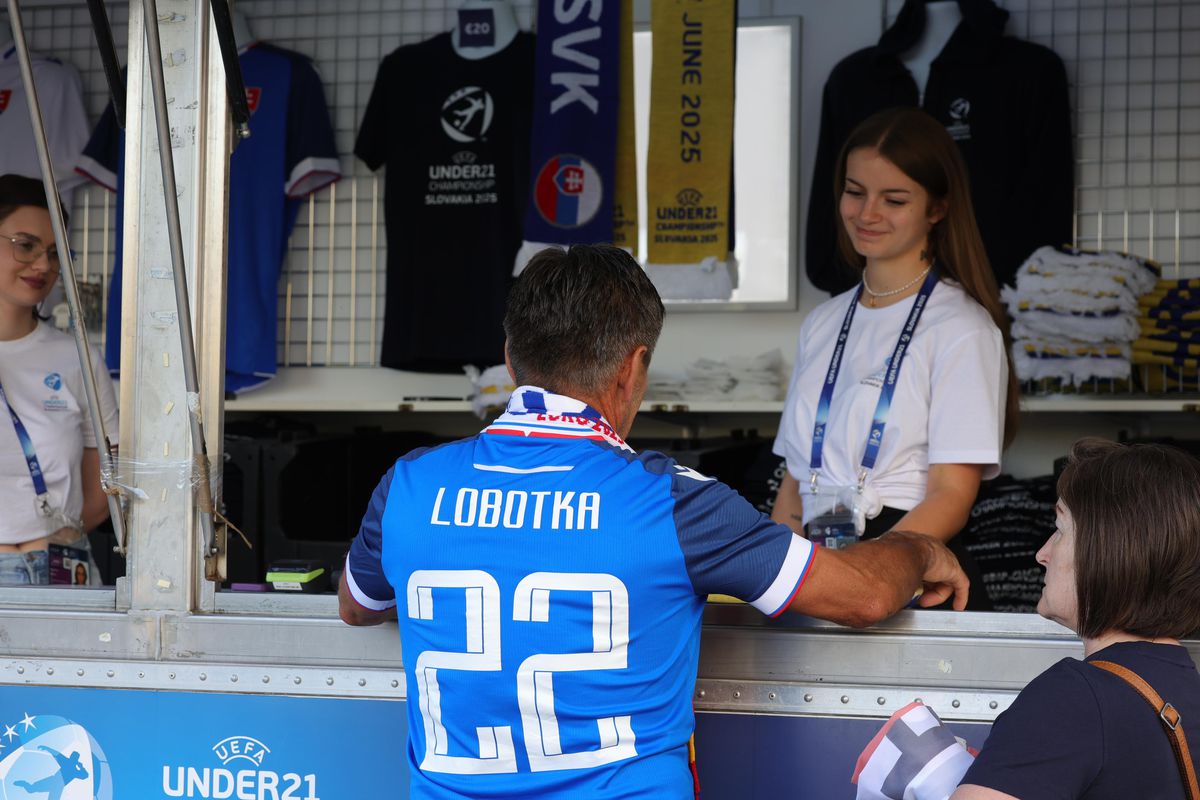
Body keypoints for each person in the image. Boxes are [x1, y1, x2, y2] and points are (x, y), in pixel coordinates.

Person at [339, 244, 969, 799]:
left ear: (510, 358)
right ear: (633, 367)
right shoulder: (675, 503)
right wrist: (918, 545)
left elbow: (358, 605)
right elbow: (863, 598)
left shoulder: (409, 486)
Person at [772, 106, 1018, 609]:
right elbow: (796, 480)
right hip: (818, 566)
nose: (867, 214)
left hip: (907, 567)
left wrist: (870, 573)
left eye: (894, 199)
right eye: (855, 192)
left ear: (937, 208)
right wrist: (779, 577)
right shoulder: (823, 322)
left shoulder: (962, 328)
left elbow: (951, 494)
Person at [953, 438, 1200, 799]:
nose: (1042, 553)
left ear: (1110, 552)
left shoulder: (1072, 699)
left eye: (1060, 529)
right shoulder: (1187, 690)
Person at [0, 174, 117, 584]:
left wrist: (55, 538)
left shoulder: (77, 357)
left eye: (55, 252)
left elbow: (106, 483)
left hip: (64, 569)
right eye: (25, 246)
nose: (44, 265)